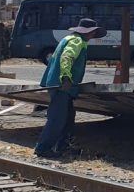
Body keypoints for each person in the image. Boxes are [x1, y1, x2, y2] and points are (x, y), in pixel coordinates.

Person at [34, 18, 106, 159]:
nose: (92, 36)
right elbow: (67, 57)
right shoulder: (76, 41)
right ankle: (43, 149)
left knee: (67, 118)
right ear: (89, 32)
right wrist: (66, 77)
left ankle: (63, 146)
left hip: (61, 85)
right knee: (57, 119)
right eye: (92, 33)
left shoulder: (69, 38)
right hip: (62, 85)